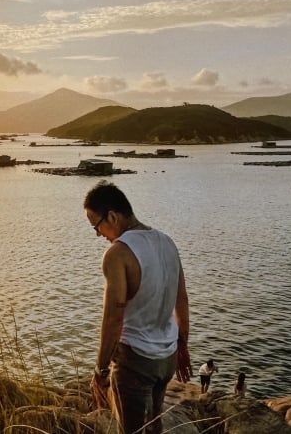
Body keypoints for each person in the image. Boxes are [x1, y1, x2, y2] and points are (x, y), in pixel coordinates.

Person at [85, 180, 192, 434]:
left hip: (135, 361)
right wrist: (182, 347)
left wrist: (100, 371)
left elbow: (113, 319)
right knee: (154, 425)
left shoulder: (118, 254)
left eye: (96, 225)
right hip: (166, 356)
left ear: (112, 216)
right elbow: (182, 300)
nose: (98, 234)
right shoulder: (167, 242)